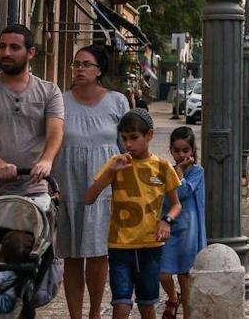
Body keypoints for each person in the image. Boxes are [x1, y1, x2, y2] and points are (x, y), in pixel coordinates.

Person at [53, 45, 130, 319]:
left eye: (86, 64)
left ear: (99, 70)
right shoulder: (60, 101)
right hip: (69, 184)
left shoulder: (118, 102)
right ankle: (76, 316)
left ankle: (95, 313)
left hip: (104, 187)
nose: (79, 69)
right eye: (76, 64)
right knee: (72, 255)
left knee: (98, 254)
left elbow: (126, 145)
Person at [86, 109, 181, 319]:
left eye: (134, 138)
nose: (129, 144)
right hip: (120, 246)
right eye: (125, 138)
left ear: (149, 136)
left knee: (147, 303)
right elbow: (89, 197)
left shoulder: (162, 167)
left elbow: (176, 204)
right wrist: (111, 171)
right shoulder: (116, 164)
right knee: (121, 304)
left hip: (150, 247)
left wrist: (166, 221)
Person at [0, 24, 64, 199]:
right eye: (2, 46)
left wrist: (46, 160)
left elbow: (55, 131)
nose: (6, 53)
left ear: (30, 53)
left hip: (32, 190)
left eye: (14, 47)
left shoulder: (49, 92)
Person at [159, 127, 206, 319]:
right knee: (163, 273)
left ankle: (187, 314)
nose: (181, 154)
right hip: (170, 228)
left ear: (192, 151)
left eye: (185, 150)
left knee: (185, 277)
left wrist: (178, 171)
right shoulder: (166, 170)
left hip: (189, 232)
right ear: (171, 150)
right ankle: (172, 298)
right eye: (177, 151)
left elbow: (184, 191)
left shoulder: (197, 172)